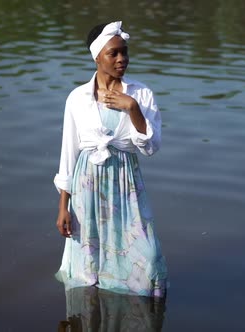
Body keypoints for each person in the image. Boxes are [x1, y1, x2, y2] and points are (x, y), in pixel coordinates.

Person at [54, 21, 168, 299]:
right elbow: (68, 153)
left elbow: (150, 147)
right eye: (113, 53)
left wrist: (132, 108)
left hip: (125, 182)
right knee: (89, 259)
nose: (121, 59)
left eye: (124, 52)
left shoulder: (140, 94)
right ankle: (89, 315)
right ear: (96, 57)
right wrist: (63, 207)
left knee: (148, 256)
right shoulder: (78, 98)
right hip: (87, 184)